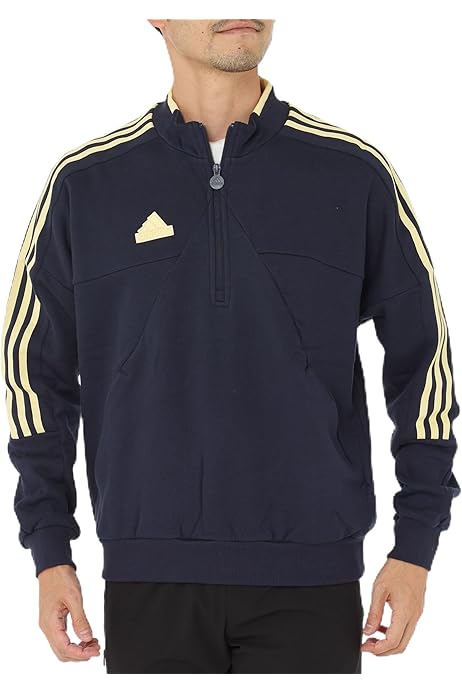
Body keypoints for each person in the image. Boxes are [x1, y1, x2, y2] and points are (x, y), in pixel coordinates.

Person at [1, 18, 460, 674]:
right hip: (147, 578)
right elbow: (32, 372)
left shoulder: (352, 173)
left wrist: (415, 545)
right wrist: (50, 552)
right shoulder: (86, 184)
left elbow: (425, 361)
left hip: (314, 578)